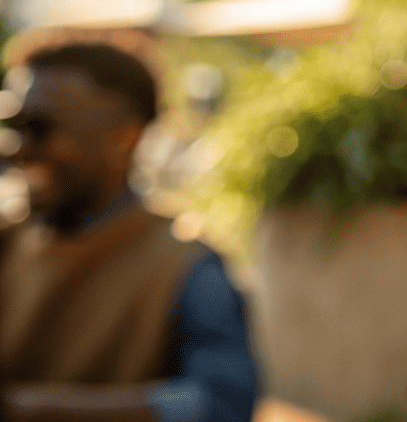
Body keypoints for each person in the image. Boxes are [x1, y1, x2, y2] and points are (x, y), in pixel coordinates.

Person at [0, 41, 260, 422]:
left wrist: (33, 411)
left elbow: (220, 403)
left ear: (124, 137)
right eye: (13, 124)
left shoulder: (184, 267)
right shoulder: (10, 238)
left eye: (40, 127)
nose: (18, 148)